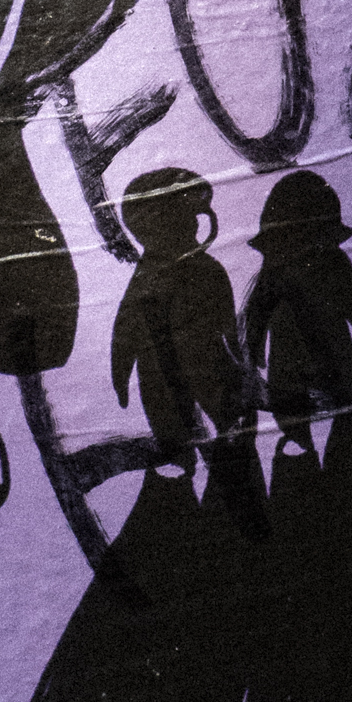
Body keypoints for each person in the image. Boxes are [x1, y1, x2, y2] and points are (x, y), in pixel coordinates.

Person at [110, 166, 268, 539]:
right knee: (179, 447)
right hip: (165, 380)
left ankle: (241, 519)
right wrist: (121, 373)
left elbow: (228, 328)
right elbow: (126, 331)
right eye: (186, 218)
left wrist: (242, 366)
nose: (195, 226)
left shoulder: (206, 270)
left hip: (211, 371)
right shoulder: (155, 276)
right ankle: (200, 522)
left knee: (230, 441)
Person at [244, 169, 352, 453]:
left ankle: (318, 439)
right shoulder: (280, 272)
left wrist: (253, 351)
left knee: (327, 404)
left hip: (309, 357)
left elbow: (256, 316)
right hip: (299, 358)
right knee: (299, 406)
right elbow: (257, 314)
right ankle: (305, 440)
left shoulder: (327, 265)